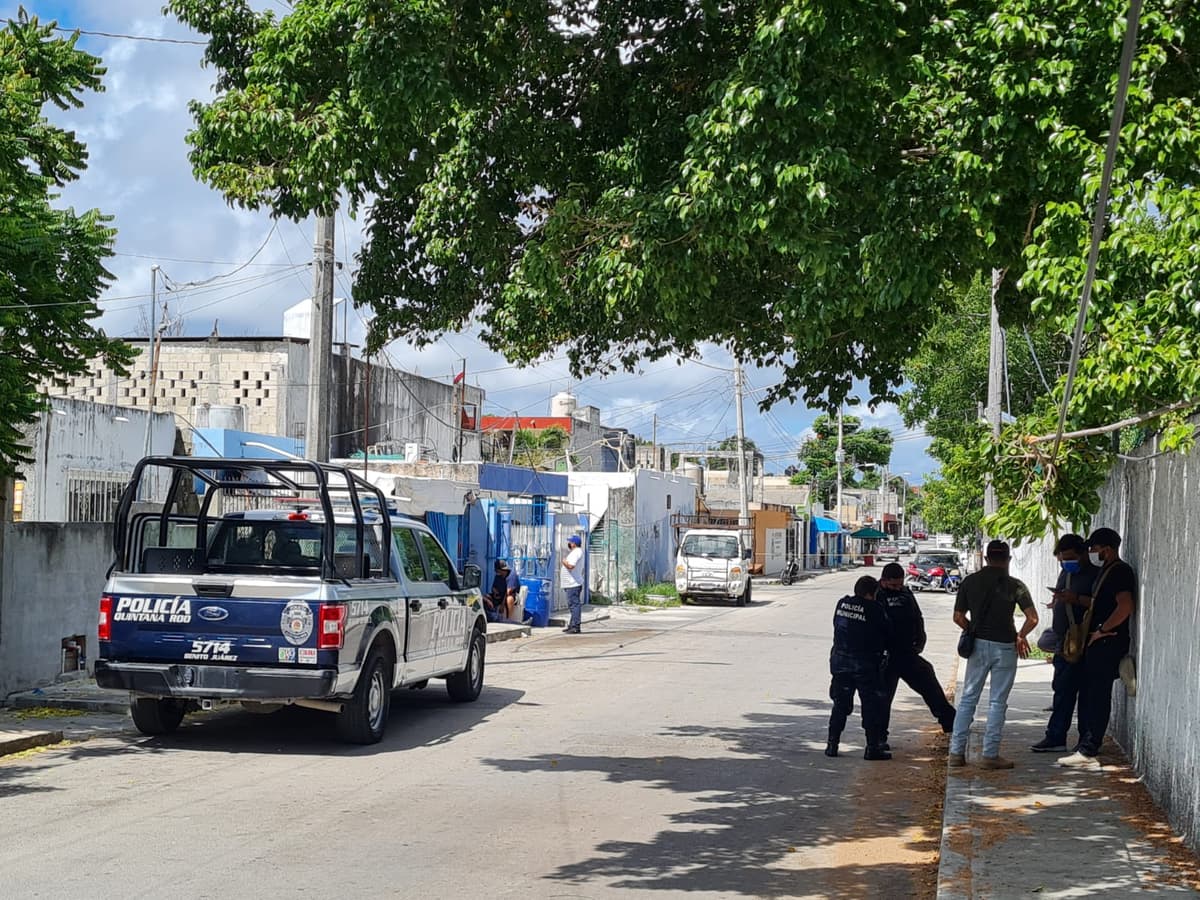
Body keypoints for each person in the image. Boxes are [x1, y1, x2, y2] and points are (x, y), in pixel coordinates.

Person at [948, 540, 1038, 769]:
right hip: (1006, 647)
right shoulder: (1015, 585)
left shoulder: (970, 582)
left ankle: (956, 753)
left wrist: (973, 630)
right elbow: (1033, 618)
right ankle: (990, 755)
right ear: (1007, 560)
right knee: (998, 702)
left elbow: (958, 617)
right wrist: (1020, 635)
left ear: (986, 559)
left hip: (978, 645)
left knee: (969, 698)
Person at [1058, 527, 1137, 768]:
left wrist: (1103, 630)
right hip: (1099, 640)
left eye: (1095, 547)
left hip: (1107, 641)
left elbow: (1125, 606)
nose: (1091, 551)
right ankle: (1086, 744)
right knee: (1091, 693)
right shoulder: (1108, 570)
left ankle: (1089, 749)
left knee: (1098, 695)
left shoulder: (1120, 571)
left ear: (1108, 548)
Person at [1030, 534, 1098, 753]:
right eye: (1061, 560)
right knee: (1061, 692)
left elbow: (1101, 604)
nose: (1065, 563)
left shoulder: (1096, 576)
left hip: (1085, 643)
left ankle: (1085, 740)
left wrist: (1076, 599)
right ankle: (1056, 737)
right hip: (1063, 643)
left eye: (1068, 558)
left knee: (1086, 696)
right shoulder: (1065, 573)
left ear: (1083, 553)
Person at [878, 563, 957, 746]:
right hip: (885, 657)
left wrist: (920, 640)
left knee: (929, 683)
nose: (897, 589)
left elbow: (917, 617)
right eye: (893, 585)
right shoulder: (875, 595)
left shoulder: (906, 593)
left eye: (899, 584)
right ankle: (878, 739)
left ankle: (951, 723)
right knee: (882, 699)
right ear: (883, 581)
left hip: (907, 653)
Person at [825, 575, 893, 761]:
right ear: (872, 593)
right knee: (870, 706)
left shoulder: (842, 604)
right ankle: (872, 748)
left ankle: (832, 744)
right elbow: (887, 633)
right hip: (864, 665)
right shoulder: (874, 609)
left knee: (840, 704)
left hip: (840, 663)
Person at [561, 534, 585, 634]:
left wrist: (564, 562)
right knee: (572, 605)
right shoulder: (576, 552)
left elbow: (571, 566)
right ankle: (572, 625)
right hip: (571, 583)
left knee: (574, 605)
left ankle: (575, 626)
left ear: (574, 544)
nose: (569, 544)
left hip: (573, 583)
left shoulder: (576, 552)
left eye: (570, 542)